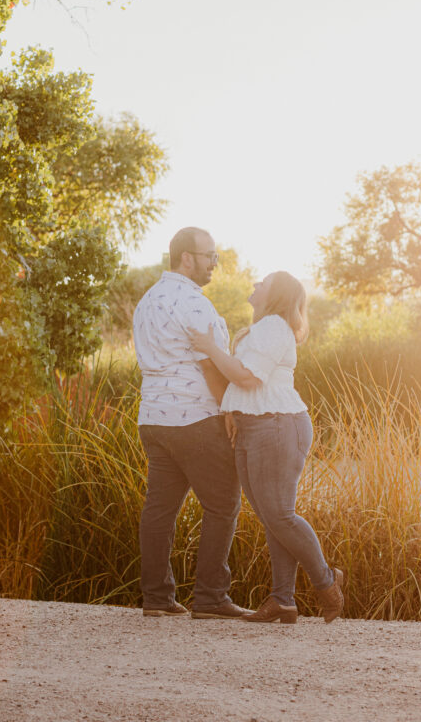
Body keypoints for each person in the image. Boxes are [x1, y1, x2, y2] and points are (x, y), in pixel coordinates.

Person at [189, 270, 344, 624]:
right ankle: (283, 601)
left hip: (276, 425)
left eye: (263, 282)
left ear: (275, 295)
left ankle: (327, 582)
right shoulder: (264, 328)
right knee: (272, 517)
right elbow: (245, 381)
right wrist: (231, 408)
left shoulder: (274, 326)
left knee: (280, 515)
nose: (255, 285)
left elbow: (247, 376)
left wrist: (210, 347)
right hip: (254, 425)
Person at [134, 226, 250, 619]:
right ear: (187, 258)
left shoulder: (147, 301)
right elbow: (210, 367)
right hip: (194, 417)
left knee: (159, 509)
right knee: (222, 503)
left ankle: (157, 598)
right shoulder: (194, 303)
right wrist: (228, 410)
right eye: (210, 256)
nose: (215, 263)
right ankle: (211, 598)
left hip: (153, 417)